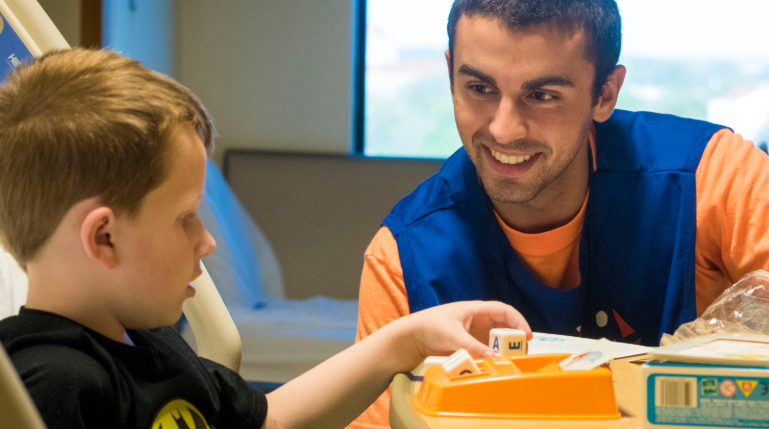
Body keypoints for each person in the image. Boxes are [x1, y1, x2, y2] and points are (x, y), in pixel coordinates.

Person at [350, 0, 769, 429]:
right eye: (478, 88)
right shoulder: (403, 259)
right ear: (450, 68)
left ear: (605, 93)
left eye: (543, 95)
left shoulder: (709, 177)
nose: (504, 128)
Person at [0, 48, 532, 429]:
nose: (206, 242)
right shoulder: (48, 386)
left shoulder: (151, 345)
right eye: (186, 217)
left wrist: (409, 337)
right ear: (105, 238)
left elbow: (273, 418)